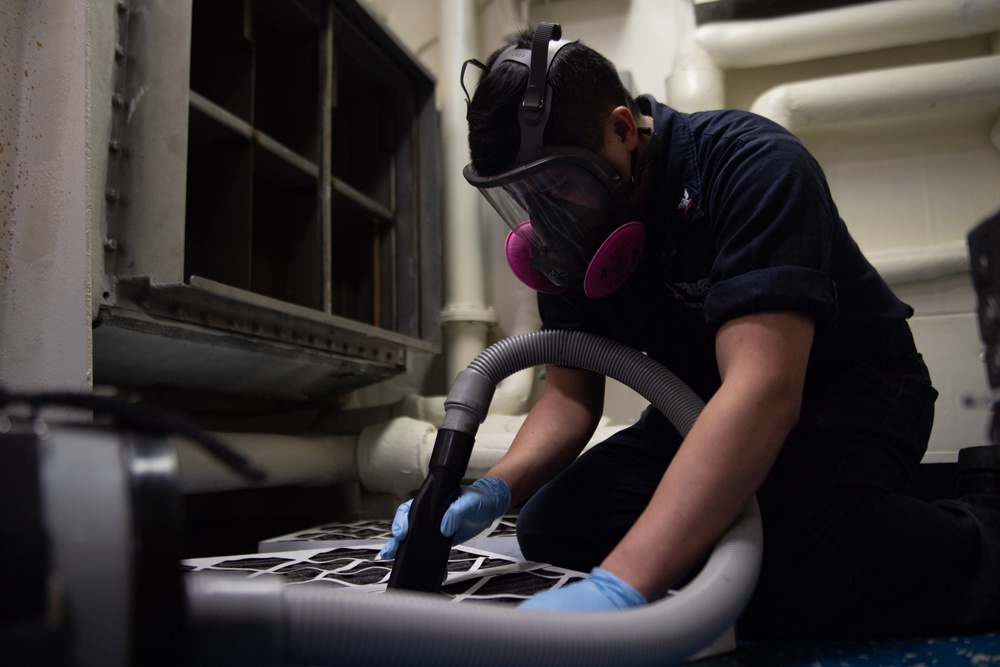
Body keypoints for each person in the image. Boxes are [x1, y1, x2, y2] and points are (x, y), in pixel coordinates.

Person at [380, 23, 1000, 641]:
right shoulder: (569, 231)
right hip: (703, 411)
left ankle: (982, 532)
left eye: (555, 187)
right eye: (523, 196)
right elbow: (570, 401)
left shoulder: (751, 164)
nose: (542, 217)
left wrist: (621, 587)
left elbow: (764, 393)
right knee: (554, 525)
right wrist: (490, 491)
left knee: (786, 567)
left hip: (848, 394)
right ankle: (808, 538)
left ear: (623, 130)